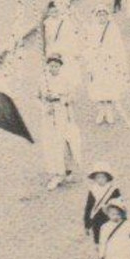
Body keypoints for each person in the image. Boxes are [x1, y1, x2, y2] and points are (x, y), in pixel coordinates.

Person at [39, 53, 85, 190]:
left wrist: (59, 98)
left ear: (60, 67)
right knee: (50, 143)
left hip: (63, 115)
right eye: (51, 66)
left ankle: (66, 169)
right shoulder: (43, 80)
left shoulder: (65, 80)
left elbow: (72, 97)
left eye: (56, 66)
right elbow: (37, 97)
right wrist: (44, 105)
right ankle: (54, 172)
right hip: (48, 115)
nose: (53, 68)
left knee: (63, 142)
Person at [85, 5, 128, 125]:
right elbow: (88, 47)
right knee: (98, 86)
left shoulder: (113, 28)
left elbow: (118, 46)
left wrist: (116, 59)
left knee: (109, 86)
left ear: (107, 16)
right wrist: (89, 62)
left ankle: (109, 111)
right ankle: (101, 111)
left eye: (104, 15)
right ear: (96, 17)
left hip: (109, 62)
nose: (102, 18)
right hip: (96, 62)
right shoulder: (91, 29)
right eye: (99, 15)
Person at [82, 167, 120, 259]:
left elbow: (120, 206)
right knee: (98, 247)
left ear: (107, 177)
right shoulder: (93, 190)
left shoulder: (113, 190)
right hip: (97, 223)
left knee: (113, 244)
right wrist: (87, 224)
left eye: (102, 177)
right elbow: (88, 208)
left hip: (110, 221)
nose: (100, 180)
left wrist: (121, 220)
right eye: (97, 177)